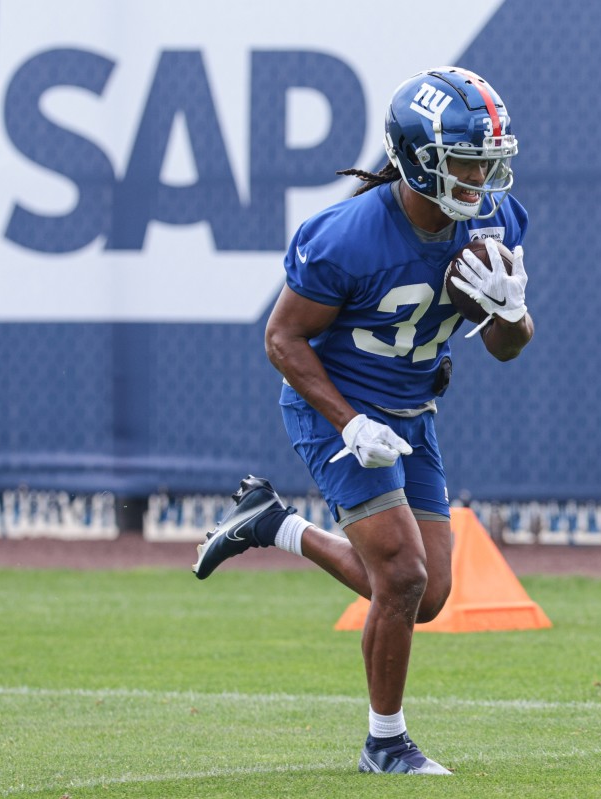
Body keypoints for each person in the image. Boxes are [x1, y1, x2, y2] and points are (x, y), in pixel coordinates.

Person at [192, 66, 533, 775]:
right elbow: (281, 340)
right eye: (466, 159)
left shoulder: (496, 220)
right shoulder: (347, 235)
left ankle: (272, 524)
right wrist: (348, 423)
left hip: (412, 412)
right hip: (335, 409)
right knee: (402, 575)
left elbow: (506, 347)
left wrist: (512, 313)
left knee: (429, 595)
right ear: (417, 157)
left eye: (487, 159)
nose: (480, 176)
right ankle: (385, 742)